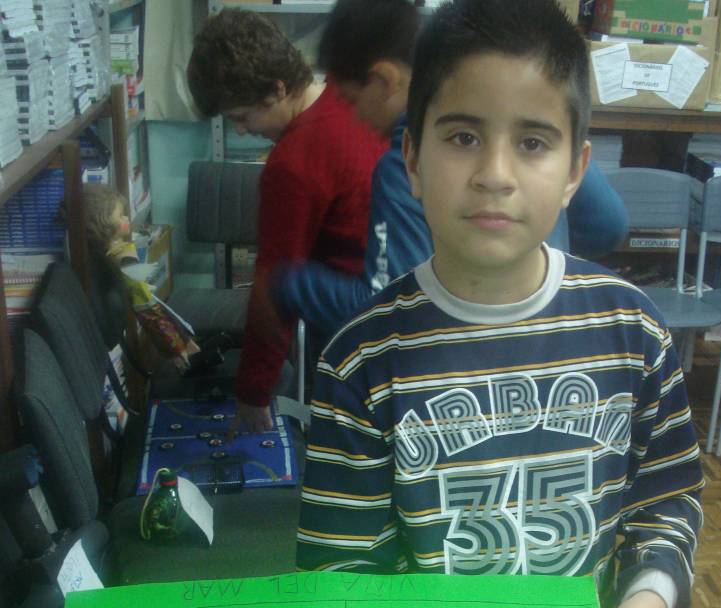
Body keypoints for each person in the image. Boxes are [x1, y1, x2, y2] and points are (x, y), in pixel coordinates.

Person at [295, 0, 703, 608]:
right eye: (462, 136)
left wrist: (650, 595)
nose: (493, 173)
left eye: (532, 141)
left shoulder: (632, 331)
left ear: (576, 166)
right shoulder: (361, 360)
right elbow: (339, 579)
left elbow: (667, 498)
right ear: (409, 155)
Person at [274, 0, 628, 343]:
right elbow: (609, 224)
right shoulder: (541, 127)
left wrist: (292, 283)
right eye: (465, 139)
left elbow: (390, 309)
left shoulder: (401, 167)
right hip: (550, 333)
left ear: (384, 80)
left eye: (352, 101)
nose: (496, 176)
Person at [187, 9, 387, 433]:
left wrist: (253, 392)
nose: (242, 132)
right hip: (394, 311)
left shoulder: (293, 162)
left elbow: (273, 286)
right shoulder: (349, 99)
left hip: (347, 327)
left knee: (343, 441)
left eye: (243, 117)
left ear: (278, 89)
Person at [81, 183, 200, 372]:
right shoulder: (123, 259)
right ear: (104, 224)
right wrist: (174, 346)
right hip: (151, 321)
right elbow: (145, 303)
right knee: (186, 358)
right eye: (121, 216)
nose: (127, 218)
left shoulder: (100, 255)